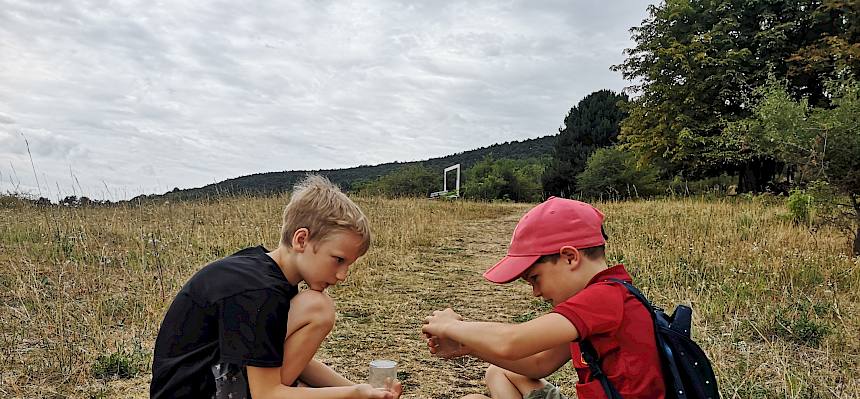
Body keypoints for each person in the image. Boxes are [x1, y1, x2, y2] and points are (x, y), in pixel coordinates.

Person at [151, 175, 402, 399]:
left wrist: (366, 391)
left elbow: (276, 356)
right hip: (199, 390)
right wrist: (352, 394)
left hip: (214, 380)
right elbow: (266, 394)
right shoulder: (260, 291)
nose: (343, 275)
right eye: (338, 259)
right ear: (301, 239)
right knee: (318, 307)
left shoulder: (264, 273)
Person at [422, 197, 665, 399]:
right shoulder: (606, 299)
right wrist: (466, 347)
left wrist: (451, 326)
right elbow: (540, 362)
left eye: (535, 278)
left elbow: (512, 342)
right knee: (499, 372)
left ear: (570, 257)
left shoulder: (604, 297)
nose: (536, 292)